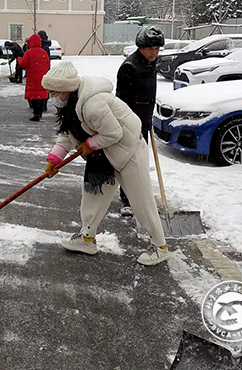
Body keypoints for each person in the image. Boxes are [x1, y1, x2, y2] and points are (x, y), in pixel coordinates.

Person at [42, 61, 170, 266]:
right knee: (93, 196)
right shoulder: (71, 106)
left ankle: (160, 246)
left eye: (55, 92)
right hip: (103, 155)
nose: (52, 98)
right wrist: (54, 159)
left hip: (128, 152)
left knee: (141, 201)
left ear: (67, 89)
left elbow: (114, 133)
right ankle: (87, 238)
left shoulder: (93, 104)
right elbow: (67, 135)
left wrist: (89, 145)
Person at [115, 27, 164, 213]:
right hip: (131, 123)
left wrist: (148, 117)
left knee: (141, 161)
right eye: (151, 48)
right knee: (131, 162)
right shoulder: (130, 67)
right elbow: (121, 102)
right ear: (141, 47)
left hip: (144, 119)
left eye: (157, 49)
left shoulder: (150, 63)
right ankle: (127, 199)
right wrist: (129, 124)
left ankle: (138, 195)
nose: (154, 52)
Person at [16, 34, 50, 121]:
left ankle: (36, 114)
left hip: (32, 77)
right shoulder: (43, 52)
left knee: (34, 96)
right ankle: (40, 112)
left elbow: (23, 64)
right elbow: (48, 64)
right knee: (41, 94)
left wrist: (19, 59)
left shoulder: (29, 52)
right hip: (42, 76)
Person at [37, 30, 52, 112]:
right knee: (45, 87)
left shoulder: (42, 46)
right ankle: (44, 104)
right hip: (46, 68)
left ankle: (42, 104)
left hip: (42, 68)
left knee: (42, 86)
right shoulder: (46, 45)